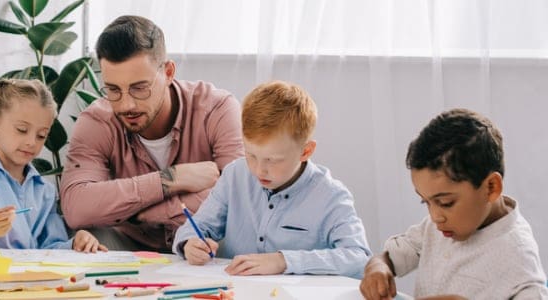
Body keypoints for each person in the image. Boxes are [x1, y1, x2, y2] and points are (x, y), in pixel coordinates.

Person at [61, 15, 244, 252]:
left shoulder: (217, 108)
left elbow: (239, 198)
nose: (126, 104)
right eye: (113, 90)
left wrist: (143, 213)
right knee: (90, 239)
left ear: (168, 72)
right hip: (129, 246)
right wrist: (169, 180)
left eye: (139, 88)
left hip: (204, 241)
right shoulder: (97, 121)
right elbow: (77, 207)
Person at [174, 80, 371, 278]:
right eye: (250, 155)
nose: (259, 170)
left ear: (306, 151)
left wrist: (283, 261)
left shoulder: (330, 195)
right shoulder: (235, 175)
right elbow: (197, 226)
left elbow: (358, 258)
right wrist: (191, 243)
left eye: (272, 160)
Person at [360, 109, 548, 299]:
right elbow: (391, 257)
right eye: (426, 202)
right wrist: (378, 267)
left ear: (491, 187)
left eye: (445, 203)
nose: (435, 217)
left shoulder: (518, 258)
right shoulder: (436, 227)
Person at [0, 79, 106, 252]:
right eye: (22, 130)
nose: (31, 142)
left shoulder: (45, 191)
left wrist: (75, 243)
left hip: (31, 278)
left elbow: (51, 248)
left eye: (41, 135)